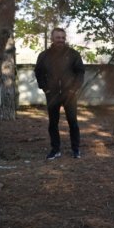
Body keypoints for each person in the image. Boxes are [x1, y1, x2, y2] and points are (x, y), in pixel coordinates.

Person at [34, 28, 86, 160]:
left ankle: (76, 150)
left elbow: (80, 72)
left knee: (73, 122)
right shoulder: (44, 55)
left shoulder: (73, 54)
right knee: (53, 123)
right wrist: (46, 89)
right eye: (58, 37)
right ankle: (55, 150)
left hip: (70, 94)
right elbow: (38, 73)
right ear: (52, 38)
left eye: (63, 38)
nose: (61, 40)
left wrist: (74, 89)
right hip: (52, 94)